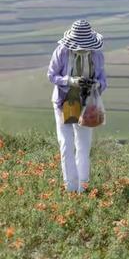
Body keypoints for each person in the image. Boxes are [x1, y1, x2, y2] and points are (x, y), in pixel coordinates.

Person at [47, 19, 107, 192]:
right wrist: (70, 80)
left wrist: (96, 84)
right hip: (64, 101)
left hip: (86, 104)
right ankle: (71, 189)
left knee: (83, 146)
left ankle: (83, 187)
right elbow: (51, 75)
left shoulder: (97, 55)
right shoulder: (62, 52)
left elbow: (104, 79)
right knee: (66, 145)